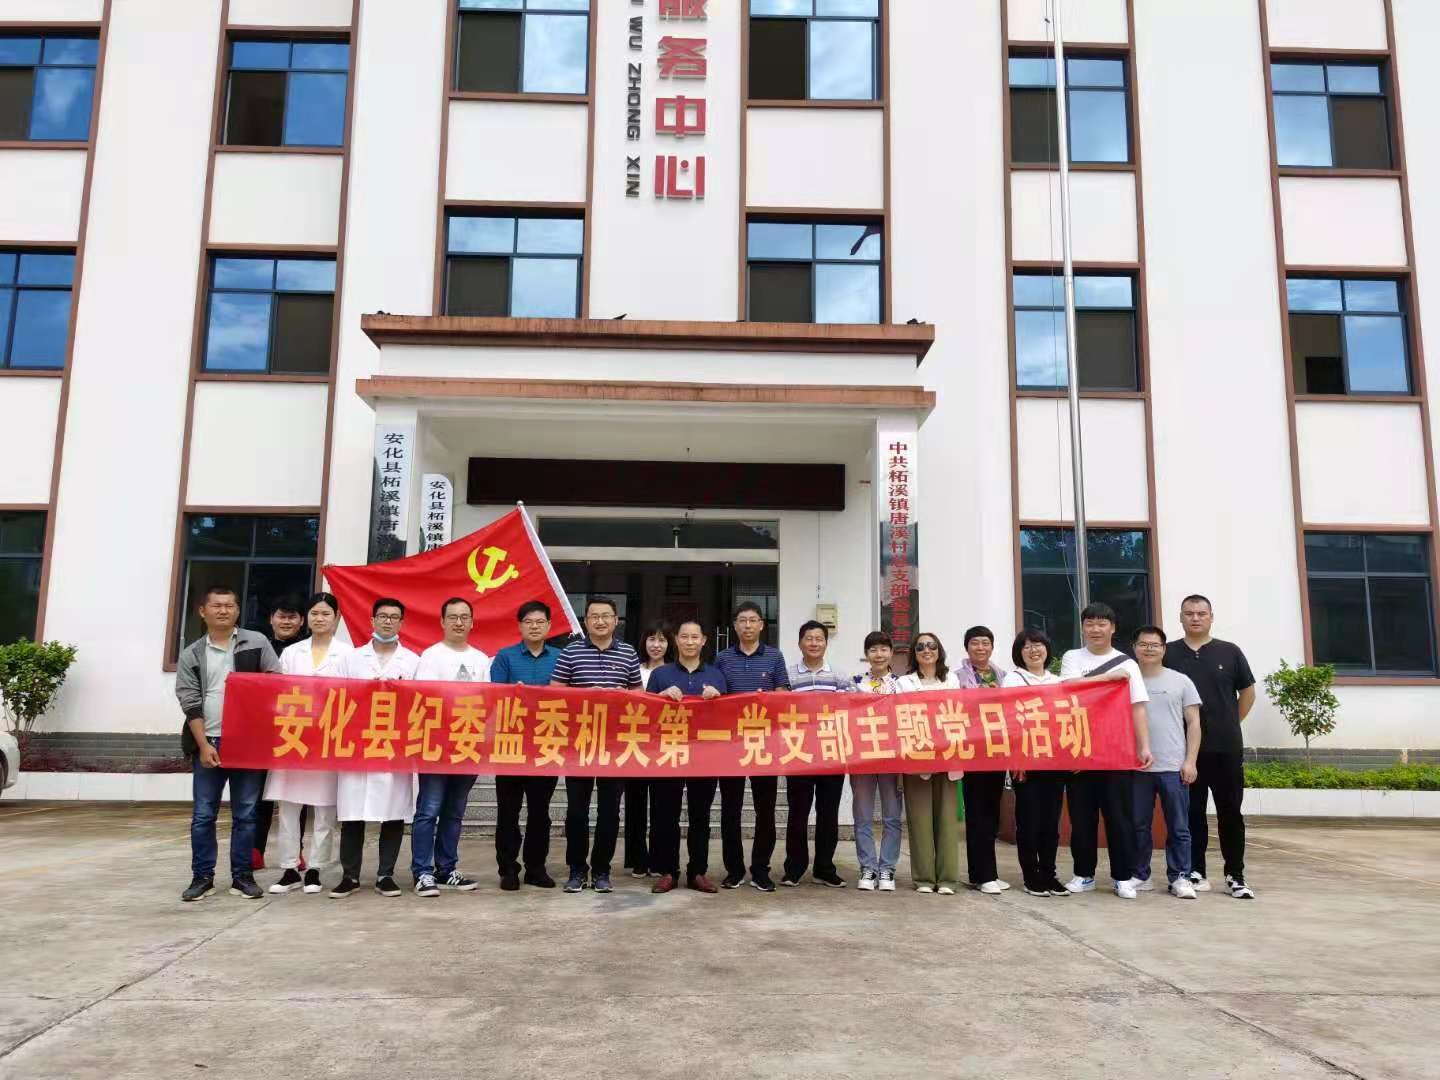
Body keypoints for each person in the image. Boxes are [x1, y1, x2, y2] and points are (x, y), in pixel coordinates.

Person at [175, 585, 278, 901]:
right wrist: (204, 745)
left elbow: (276, 682)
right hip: (209, 741)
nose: (223, 610)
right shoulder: (192, 653)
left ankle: (242, 876)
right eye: (217, 605)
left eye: (229, 605)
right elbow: (189, 700)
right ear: (202, 611)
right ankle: (202, 876)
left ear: (237, 610)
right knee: (204, 814)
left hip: (248, 742)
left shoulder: (256, 642)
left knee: (246, 813)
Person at [1164, 594, 1257, 899]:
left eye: (1201, 613)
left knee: (1230, 812)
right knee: (1191, 813)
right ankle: (1195, 870)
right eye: (1189, 613)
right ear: (1181, 617)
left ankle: (1235, 875)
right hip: (1185, 751)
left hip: (1225, 748)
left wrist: (1230, 722)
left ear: (1211, 617)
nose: (1195, 618)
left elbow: (1247, 693)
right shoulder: (1169, 653)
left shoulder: (1229, 652)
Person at [1059, 602, 1153, 900]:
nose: (1095, 629)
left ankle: (1123, 877)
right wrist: (1108, 679)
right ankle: (1083, 874)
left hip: (1116, 751)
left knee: (1119, 818)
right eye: (1089, 623)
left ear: (1113, 628)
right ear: (1082, 628)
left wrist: (1144, 746)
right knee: (1081, 818)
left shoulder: (1128, 663)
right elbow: (1068, 688)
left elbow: (1137, 707)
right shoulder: (1072, 657)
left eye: (1102, 623)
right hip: (1081, 750)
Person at [551, 596, 643, 894]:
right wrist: (586, 695)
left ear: (616, 620)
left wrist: (619, 695)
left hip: (615, 745)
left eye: (606, 616)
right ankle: (577, 869)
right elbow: (555, 694)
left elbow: (638, 695)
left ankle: (602, 870)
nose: (600, 621)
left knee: (609, 812)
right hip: (580, 743)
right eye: (594, 616)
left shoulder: (628, 653)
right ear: (586, 621)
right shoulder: (570, 652)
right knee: (576, 811)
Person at [329, 598, 419, 899]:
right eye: (382, 616)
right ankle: (350, 876)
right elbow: (335, 697)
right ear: (372, 620)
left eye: (394, 617)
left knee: (393, 812)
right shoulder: (351, 659)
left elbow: (420, 703)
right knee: (352, 812)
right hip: (357, 744)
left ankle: (385, 875)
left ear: (401, 623)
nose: (388, 621)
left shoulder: (412, 661)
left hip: (394, 746)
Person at [265, 592, 349, 896]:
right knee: (288, 807)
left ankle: (315, 868)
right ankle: (289, 868)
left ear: (336, 618)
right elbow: (278, 693)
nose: (320, 618)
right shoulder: (291, 653)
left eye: (326, 613)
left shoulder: (347, 654)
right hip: (294, 738)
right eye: (314, 613)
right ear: (306, 618)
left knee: (325, 809)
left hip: (328, 739)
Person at [411, 597, 492, 897]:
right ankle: (422, 872)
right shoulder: (431, 656)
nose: (459, 622)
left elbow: (487, 702)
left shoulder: (481, 659)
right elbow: (426, 700)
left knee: (455, 812)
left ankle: (446, 869)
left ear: (472, 622)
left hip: (467, 747)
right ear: (442, 621)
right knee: (428, 810)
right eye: (453, 617)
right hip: (435, 746)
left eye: (464, 617)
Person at [714, 601, 791, 892]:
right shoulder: (722, 658)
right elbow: (716, 696)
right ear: (735, 626)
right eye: (742, 620)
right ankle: (734, 870)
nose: (747, 625)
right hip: (730, 744)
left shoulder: (774, 656)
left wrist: (768, 697)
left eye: (753, 620)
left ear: (761, 625)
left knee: (765, 810)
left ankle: (760, 870)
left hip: (764, 743)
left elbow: (784, 693)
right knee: (730, 810)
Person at [646, 620, 728, 894]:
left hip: (705, 755)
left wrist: (718, 699)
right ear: (676, 640)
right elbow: (645, 716)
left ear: (704, 640)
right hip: (668, 753)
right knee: (665, 815)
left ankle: (698, 872)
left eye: (695, 637)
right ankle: (668, 871)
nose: (690, 642)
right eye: (684, 637)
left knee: (700, 816)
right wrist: (660, 696)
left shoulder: (717, 675)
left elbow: (729, 719)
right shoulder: (661, 674)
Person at [489, 600, 563, 890]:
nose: (534, 626)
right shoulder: (505, 657)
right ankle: (508, 868)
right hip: (511, 743)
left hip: (546, 744)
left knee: (540, 812)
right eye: (529, 622)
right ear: (520, 626)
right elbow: (493, 696)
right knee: (508, 811)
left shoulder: (560, 657)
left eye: (540, 622)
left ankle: (536, 868)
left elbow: (568, 697)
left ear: (549, 626)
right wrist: (513, 694)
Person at [1132, 626, 1202, 900]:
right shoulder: (1127, 681)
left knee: (1179, 827)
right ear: (1134, 648)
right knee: (1139, 825)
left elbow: (1193, 723)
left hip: (1173, 766)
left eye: (1154, 645)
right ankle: (1141, 875)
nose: (1148, 649)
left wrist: (1190, 761)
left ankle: (1180, 877)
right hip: (1137, 767)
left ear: (1164, 649)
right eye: (1143, 644)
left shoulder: (1181, 681)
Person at [781, 620, 848, 889]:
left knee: (828, 813)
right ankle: (794, 868)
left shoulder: (839, 676)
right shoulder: (787, 675)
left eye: (819, 639)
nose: (814, 643)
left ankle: (824, 868)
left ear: (826, 643)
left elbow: (849, 710)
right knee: (797, 812)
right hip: (798, 752)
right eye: (808, 638)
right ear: (800, 643)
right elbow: (779, 711)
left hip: (832, 753)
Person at [1003, 629, 1069, 897]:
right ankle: (1031, 876)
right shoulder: (1013, 679)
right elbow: (1009, 717)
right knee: (1029, 820)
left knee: (1051, 821)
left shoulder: (1058, 681)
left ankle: (1049, 873)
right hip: (1025, 760)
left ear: (1047, 649)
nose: (1033, 650)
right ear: (1019, 652)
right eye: (1027, 646)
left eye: (1038, 644)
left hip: (1054, 759)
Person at [896, 632, 962, 894]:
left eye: (932, 646)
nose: (926, 650)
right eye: (921, 646)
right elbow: (903, 715)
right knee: (919, 820)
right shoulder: (904, 682)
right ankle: (924, 878)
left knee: (947, 821)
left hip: (948, 756)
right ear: (914, 653)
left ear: (939, 650)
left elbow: (955, 712)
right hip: (917, 757)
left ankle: (947, 879)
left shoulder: (952, 679)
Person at [253, 594, 308, 870]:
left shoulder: (308, 650)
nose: (286, 621)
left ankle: (297, 851)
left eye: (292, 617)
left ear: (301, 621)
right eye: (281, 616)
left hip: (297, 729)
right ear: (271, 619)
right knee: (258, 792)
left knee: (296, 794)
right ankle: (255, 849)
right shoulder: (257, 647)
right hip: (263, 729)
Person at [955, 625, 1010, 895]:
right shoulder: (957, 678)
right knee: (977, 814)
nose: (980, 647)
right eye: (975, 643)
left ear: (992, 646)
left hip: (997, 751)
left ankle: (990, 873)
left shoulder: (1003, 676)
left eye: (985, 642)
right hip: (972, 752)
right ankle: (981, 874)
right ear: (967, 647)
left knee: (992, 813)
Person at [850, 630, 902, 893]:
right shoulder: (855, 683)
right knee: (863, 815)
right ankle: (868, 867)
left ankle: (887, 868)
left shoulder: (903, 684)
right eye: (873, 650)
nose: (878, 654)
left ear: (891, 653)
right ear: (866, 654)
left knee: (892, 815)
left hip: (893, 757)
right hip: (862, 758)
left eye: (883, 649)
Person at [625, 622, 673, 878]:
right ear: (643, 642)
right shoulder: (633, 669)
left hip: (664, 746)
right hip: (635, 744)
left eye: (662, 640)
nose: (656, 645)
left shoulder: (674, 672)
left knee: (662, 806)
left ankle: (659, 859)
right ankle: (637, 859)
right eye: (651, 639)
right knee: (635, 804)